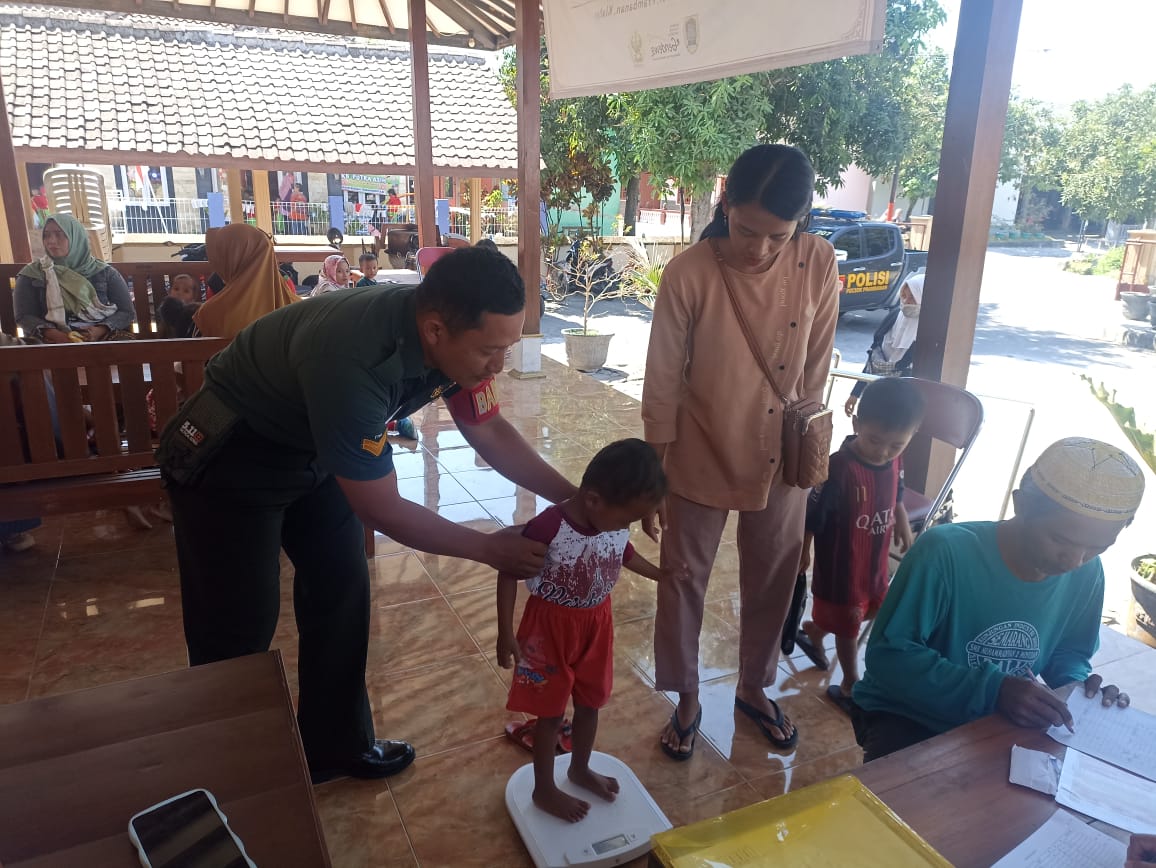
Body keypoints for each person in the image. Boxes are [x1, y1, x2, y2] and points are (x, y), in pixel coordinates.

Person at [157, 245, 581, 782]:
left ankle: (334, 747)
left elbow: (490, 430)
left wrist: (573, 498)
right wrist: (487, 547)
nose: (497, 365)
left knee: (341, 593)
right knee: (236, 628)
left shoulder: (455, 343)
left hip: (314, 446)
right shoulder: (351, 355)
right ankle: (233, 781)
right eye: (488, 352)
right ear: (434, 330)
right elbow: (381, 508)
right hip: (234, 454)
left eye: (507, 347)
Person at [643, 144, 840, 759]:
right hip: (699, 447)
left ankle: (755, 687)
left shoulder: (819, 261)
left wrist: (806, 450)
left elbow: (816, 367)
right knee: (682, 578)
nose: (759, 248)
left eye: (777, 235)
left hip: (782, 455)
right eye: (746, 228)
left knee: (774, 577)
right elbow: (662, 383)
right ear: (725, 200)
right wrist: (654, 472)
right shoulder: (689, 273)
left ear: (802, 220)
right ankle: (686, 697)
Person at [851, 437, 1145, 761]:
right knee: (911, 802)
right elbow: (889, 658)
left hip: (996, 713)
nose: (1074, 560)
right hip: (908, 712)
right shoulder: (945, 553)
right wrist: (995, 690)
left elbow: (1071, 652)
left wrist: (1077, 689)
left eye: (1098, 548)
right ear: (1020, 504)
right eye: (1060, 539)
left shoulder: (1088, 573)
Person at [496, 439, 674, 822]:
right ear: (592, 500)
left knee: (591, 702)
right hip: (549, 626)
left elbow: (623, 553)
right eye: (625, 520)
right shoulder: (549, 525)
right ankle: (544, 789)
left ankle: (579, 767)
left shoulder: (610, 518)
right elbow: (508, 569)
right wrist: (505, 632)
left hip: (597, 622)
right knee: (549, 714)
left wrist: (661, 575)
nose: (625, 528)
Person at [797, 378, 924, 710]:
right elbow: (815, 511)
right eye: (874, 440)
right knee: (850, 622)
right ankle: (851, 682)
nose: (883, 452)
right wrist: (803, 549)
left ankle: (814, 630)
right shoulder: (839, 467)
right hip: (843, 564)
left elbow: (897, 485)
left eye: (896, 445)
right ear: (857, 425)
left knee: (872, 609)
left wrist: (898, 513)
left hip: (874, 559)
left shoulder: (895, 458)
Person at [15, 214, 135, 342]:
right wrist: (57, 335)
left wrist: (100, 330)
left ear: (76, 237)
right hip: (50, 339)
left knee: (122, 344)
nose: (51, 240)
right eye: (46, 235)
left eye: (59, 234)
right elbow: (24, 316)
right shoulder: (32, 274)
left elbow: (126, 312)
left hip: (101, 337)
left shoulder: (105, 273)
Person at [193, 225, 298, 340]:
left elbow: (195, 355)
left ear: (230, 259)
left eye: (221, 255)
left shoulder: (211, 314)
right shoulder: (298, 308)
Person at [844, 273, 923, 416]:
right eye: (904, 296)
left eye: (913, 298)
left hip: (900, 408)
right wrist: (855, 393)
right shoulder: (893, 318)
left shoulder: (925, 334)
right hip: (874, 397)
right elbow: (873, 360)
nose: (907, 302)